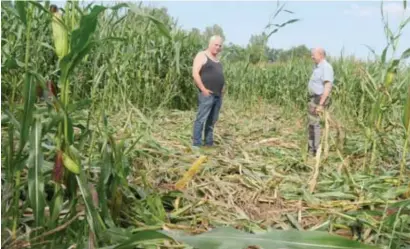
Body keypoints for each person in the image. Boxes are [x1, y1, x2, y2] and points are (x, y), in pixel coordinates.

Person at [191, 35, 225, 148]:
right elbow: (195, 73)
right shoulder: (202, 55)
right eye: (216, 45)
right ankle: (196, 144)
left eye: (220, 45)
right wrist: (203, 89)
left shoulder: (217, 60)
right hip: (207, 94)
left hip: (217, 96)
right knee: (201, 119)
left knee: (212, 121)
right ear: (210, 44)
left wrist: (222, 90)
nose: (218, 47)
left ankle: (208, 143)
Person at [307, 47, 334, 156]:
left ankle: (315, 150)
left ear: (321, 55)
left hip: (319, 98)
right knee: (311, 123)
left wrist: (320, 104)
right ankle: (310, 147)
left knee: (315, 124)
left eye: (314, 54)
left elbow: (327, 87)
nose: (312, 56)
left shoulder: (326, 67)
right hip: (313, 98)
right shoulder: (317, 67)